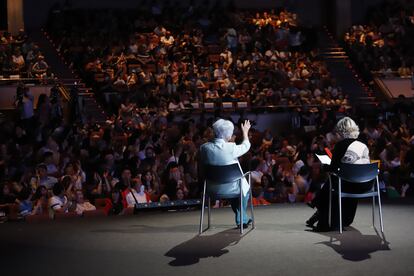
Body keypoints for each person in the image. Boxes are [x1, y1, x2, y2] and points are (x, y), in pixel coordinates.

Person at [306, 117, 371, 231]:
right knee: (335, 179)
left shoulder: (341, 145)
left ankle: (319, 209)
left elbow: (333, 168)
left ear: (341, 131)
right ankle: (317, 206)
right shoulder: (363, 143)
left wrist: (324, 165)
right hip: (365, 185)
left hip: (348, 185)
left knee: (332, 180)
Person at [199, 119, 252, 229]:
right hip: (233, 188)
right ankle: (241, 218)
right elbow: (246, 146)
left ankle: (243, 218)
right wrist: (245, 132)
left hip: (211, 188)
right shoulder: (231, 147)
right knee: (242, 189)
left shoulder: (204, 148)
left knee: (236, 187)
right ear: (228, 135)